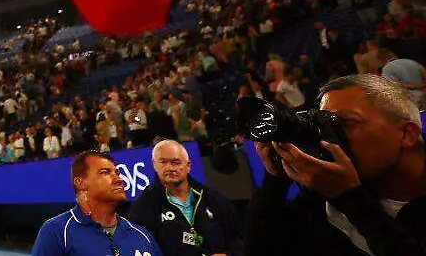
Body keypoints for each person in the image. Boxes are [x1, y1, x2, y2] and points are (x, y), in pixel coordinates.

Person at [245, 74, 426, 255]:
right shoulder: (328, 195)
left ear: (406, 134)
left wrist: (351, 199)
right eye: (324, 125)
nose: (330, 137)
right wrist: (275, 181)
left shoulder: (343, 192)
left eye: (346, 123)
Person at [32, 151, 161, 256]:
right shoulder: (57, 231)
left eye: (117, 173)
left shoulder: (142, 236)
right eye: (105, 172)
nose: (118, 179)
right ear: (81, 183)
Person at [129, 140, 243, 256]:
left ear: (188, 166)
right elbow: (142, 249)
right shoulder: (144, 205)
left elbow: (237, 238)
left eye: (175, 162)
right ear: (154, 164)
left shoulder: (212, 197)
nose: (169, 168)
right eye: (163, 162)